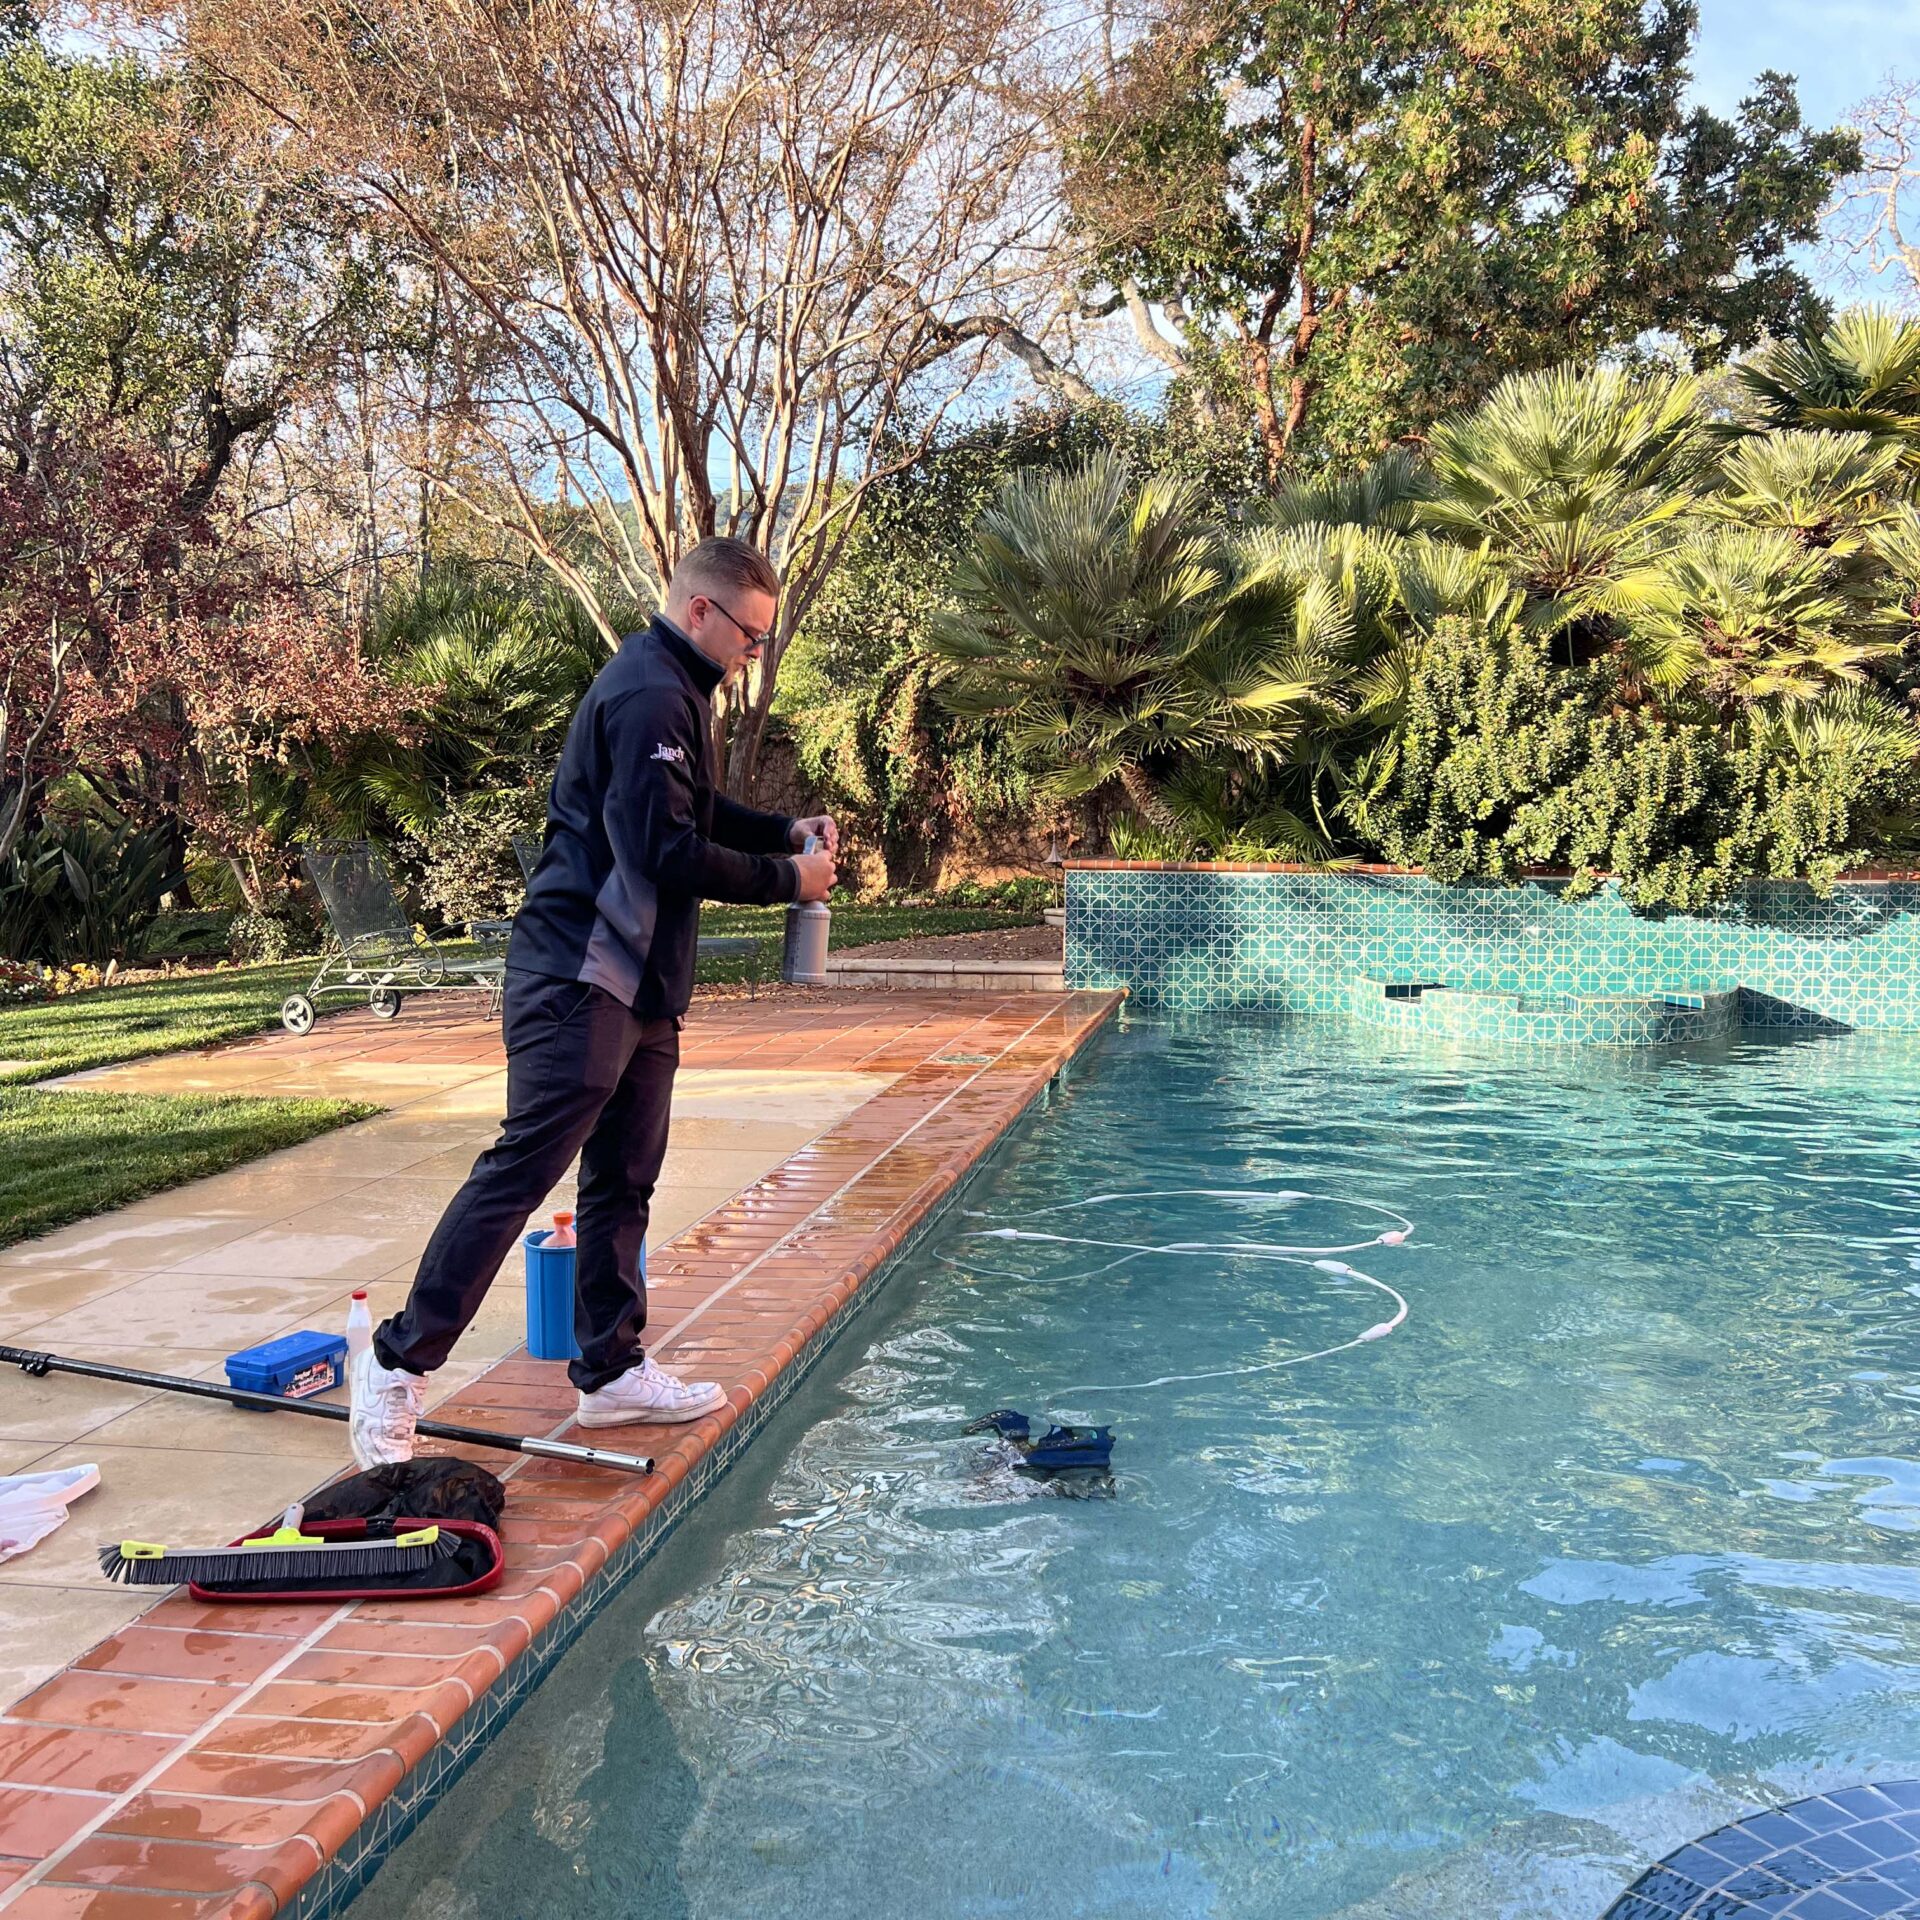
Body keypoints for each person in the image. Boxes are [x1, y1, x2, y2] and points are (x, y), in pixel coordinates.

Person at [348, 536, 837, 1467]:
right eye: (749, 635)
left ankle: (610, 1375)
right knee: (523, 1170)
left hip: (641, 985)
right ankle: (396, 1366)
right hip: (581, 976)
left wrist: (782, 828)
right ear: (699, 609)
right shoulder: (651, 689)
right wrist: (790, 876)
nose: (753, 655)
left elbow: (696, 810)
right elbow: (664, 849)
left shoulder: (677, 689)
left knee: (625, 1178)